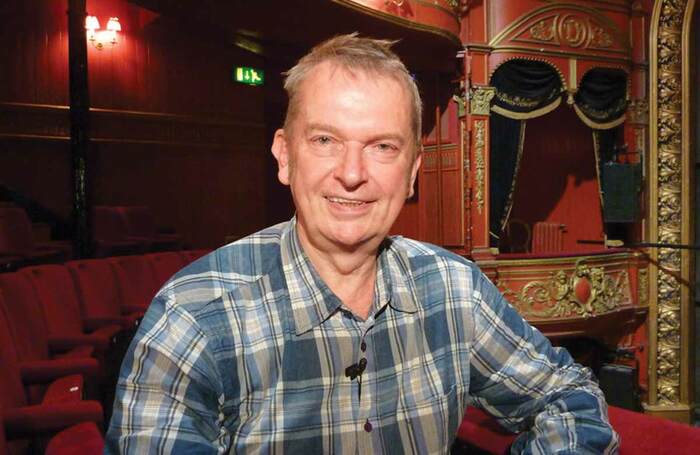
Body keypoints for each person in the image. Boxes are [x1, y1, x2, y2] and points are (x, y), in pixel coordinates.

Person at [106, 34, 619, 454]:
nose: (351, 174)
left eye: (382, 147)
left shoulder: (453, 287)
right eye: (325, 140)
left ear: (413, 172)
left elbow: (568, 395)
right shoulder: (194, 315)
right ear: (285, 156)